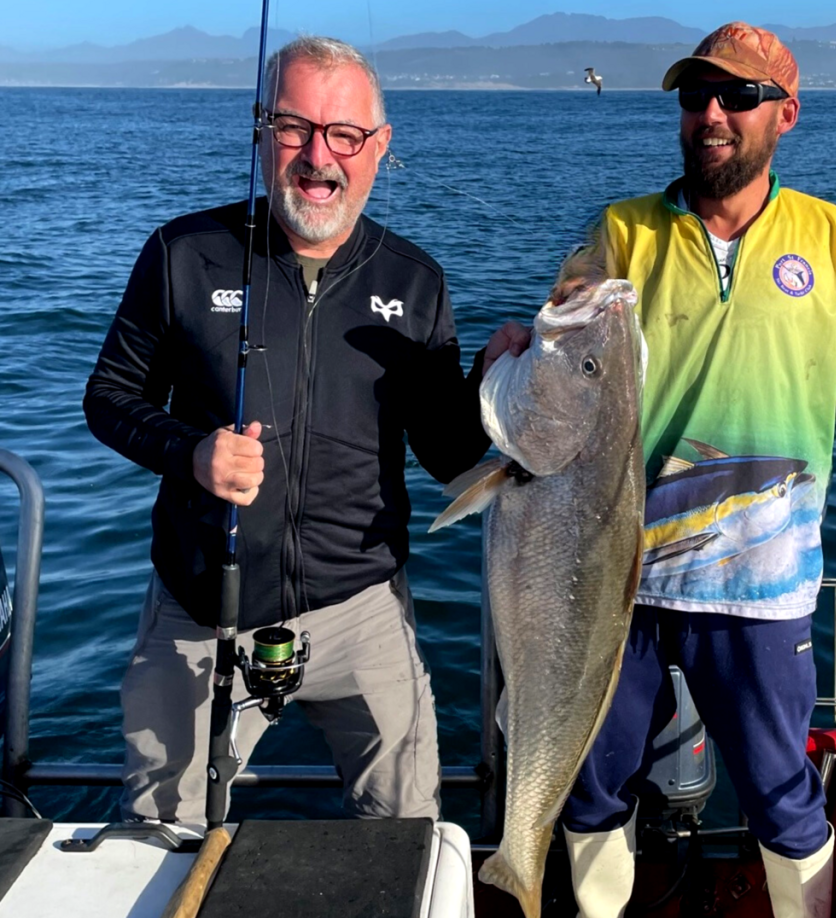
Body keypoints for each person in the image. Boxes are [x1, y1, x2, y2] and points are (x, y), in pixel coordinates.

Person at [501, 22, 836, 918]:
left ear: (784, 113)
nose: (711, 114)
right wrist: (512, 364)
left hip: (762, 587)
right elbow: (556, 391)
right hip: (612, 576)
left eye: (736, 96)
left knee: (779, 790)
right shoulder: (620, 233)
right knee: (591, 781)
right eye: (695, 95)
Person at [84, 37, 514, 826]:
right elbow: (108, 397)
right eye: (293, 126)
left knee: (406, 835)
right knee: (157, 838)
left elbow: (449, 453)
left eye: (344, 134)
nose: (320, 156)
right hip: (200, 607)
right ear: (260, 133)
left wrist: (490, 377)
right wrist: (190, 452)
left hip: (362, 605)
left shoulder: (413, 281)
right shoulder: (184, 253)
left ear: (378, 147)